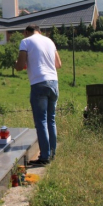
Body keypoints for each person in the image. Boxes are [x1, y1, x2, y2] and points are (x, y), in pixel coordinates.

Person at [15, 25, 62, 165]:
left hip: (39, 83)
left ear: (26, 32)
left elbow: (19, 66)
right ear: (40, 31)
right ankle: (52, 154)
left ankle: (44, 157)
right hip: (54, 83)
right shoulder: (50, 41)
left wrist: (17, 64)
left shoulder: (26, 41)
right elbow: (58, 64)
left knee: (41, 121)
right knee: (51, 120)